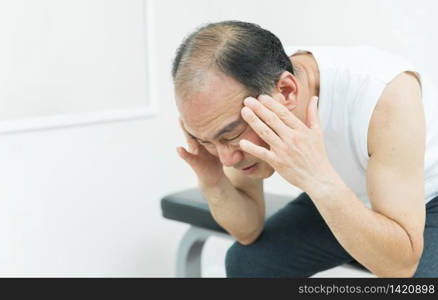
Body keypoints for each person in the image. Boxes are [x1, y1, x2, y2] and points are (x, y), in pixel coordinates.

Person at [172, 20, 438, 277]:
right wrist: (212, 179)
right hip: (344, 190)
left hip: (426, 200)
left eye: (230, 134)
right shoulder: (243, 94)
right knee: (249, 265)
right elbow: (248, 229)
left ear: (287, 91)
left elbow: (399, 267)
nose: (226, 158)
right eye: (207, 140)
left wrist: (318, 180)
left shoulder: (385, 94)